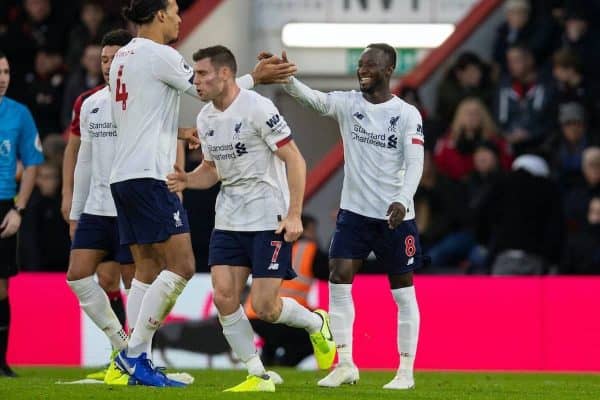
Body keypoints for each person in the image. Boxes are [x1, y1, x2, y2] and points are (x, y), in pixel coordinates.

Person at [110, 0, 297, 387]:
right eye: (176, 10)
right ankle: (133, 356)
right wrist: (254, 77)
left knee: (146, 269)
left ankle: (137, 357)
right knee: (180, 266)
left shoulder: (122, 57)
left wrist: (175, 133)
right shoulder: (160, 54)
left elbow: (137, 115)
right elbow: (204, 89)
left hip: (122, 175)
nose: (179, 18)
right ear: (159, 14)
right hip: (150, 175)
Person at [166, 45, 335, 392]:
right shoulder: (205, 118)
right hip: (228, 219)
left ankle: (317, 323)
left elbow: (295, 160)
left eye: (201, 73)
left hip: (267, 218)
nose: (195, 81)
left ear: (225, 73)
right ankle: (257, 374)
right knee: (224, 297)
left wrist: (293, 215)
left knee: (264, 306)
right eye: (194, 74)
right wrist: (188, 180)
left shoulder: (259, 108)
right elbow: (211, 171)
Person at [262, 43, 425, 389]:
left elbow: (414, 164)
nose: (363, 70)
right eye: (361, 65)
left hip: (396, 216)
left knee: (402, 290)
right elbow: (315, 100)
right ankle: (346, 362)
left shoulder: (407, 115)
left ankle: (406, 371)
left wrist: (401, 199)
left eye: (371, 65)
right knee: (338, 276)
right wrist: (288, 80)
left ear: (389, 69)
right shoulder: (349, 104)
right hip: (354, 214)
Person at [63, 29, 143, 386]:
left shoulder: (143, 100)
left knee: (132, 283)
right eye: (104, 60)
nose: (109, 66)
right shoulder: (88, 102)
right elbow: (82, 159)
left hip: (130, 207)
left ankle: (139, 358)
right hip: (96, 208)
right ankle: (123, 348)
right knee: (79, 275)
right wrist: (74, 210)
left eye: (115, 59)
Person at [0, 50, 44, 377]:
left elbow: (32, 163)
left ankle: (1, 363)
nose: (2, 78)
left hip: (4, 206)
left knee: (1, 288)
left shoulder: (19, 114)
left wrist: (19, 208)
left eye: (5, 71)